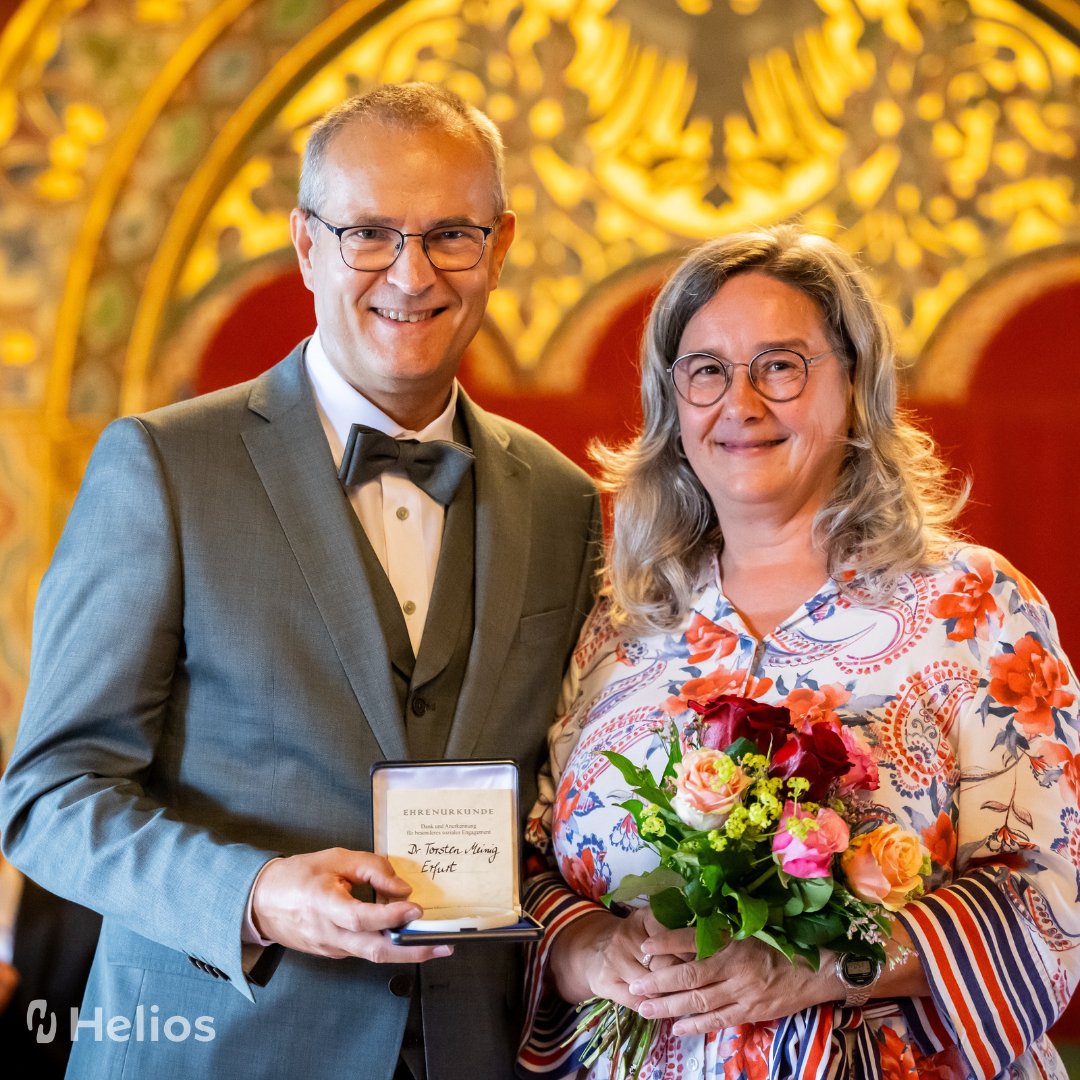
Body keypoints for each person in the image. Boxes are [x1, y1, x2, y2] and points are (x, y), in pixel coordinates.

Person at [0, 82, 601, 1080]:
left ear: (498, 246)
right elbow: (49, 797)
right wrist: (257, 894)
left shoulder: (562, 498)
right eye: (369, 231)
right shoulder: (163, 466)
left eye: (451, 232)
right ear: (306, 243)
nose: (411, 272)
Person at [518, 224, 1080, 1078]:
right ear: (672, 405)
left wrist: (825, 966)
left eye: (780, 365)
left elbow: (1052, 891)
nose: (740, 403)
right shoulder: (616, 627)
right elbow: (522, 872)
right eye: (707, 370)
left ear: (854, 386)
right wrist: (590, 950)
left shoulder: (973, 604)